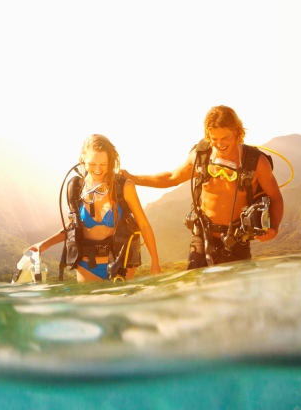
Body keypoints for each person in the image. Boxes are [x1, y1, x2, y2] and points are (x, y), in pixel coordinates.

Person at [121, 106, 283, 269]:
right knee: (196, 290)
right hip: (202, 237)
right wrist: (133, 178)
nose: (219, 144)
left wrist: (274, 228)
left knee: (236, 293)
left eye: (224, 138)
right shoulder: (201, 156)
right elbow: (171, 178)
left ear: (236, 131)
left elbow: (275, 197)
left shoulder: (256, 162)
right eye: (214, 138)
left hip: (237, 241)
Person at [31, 134, 162, 282]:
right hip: (87, 266)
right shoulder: (76, 188)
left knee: (120, 304)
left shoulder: (124, 187)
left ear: (110, 162)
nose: (98, 169)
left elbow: (143, 224)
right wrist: (45, 244)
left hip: (122, 264)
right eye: (93, 164)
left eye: (104, 164)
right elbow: (74, 226)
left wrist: (155, 262)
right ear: (82, 160)